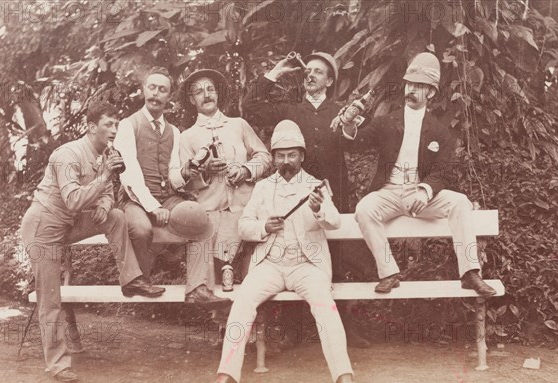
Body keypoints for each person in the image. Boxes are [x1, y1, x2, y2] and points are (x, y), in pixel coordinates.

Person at [208, 120, 357, 383]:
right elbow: (244, 226)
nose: (286, 161)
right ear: (274, 157)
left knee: (325, 305)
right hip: (271, 265)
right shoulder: (263, 188)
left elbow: (335, 221)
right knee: (242, 301)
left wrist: (319, 210)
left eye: (292, 154)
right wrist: (264, 227)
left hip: (307, 265)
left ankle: (343, 373)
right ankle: (226, 373)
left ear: (301, 155)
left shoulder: (316, 186)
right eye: (280, 155)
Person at [21, 102, 165, 383]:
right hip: (44, 226)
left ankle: (132, 279)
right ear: (91, 127)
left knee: (115, 216)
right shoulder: (67, 154)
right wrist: (103, 180)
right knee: (50, 300)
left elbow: (109, 191)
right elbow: (74, 199)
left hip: (69, 223)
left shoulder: (107, 154)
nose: (114, 130)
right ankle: (58, 365)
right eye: (108, 124)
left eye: (116, 124)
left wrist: (104, 202)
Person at [340, 52, 497, 297]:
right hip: (389, 194)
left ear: (431, 93)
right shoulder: (385, 122)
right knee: (364, 209)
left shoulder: (440, 131)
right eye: (409, 84)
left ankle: (470, 273)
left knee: (460, 203)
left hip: (421, 196)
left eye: (419, 86)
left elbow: (443, 170)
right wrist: (349, 125)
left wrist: (425, 190)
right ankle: (389, 272)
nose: (411, 90)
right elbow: (355, 144)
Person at [242, 51, 371, 348]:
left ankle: (344, 329)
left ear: (330, 81)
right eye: (307, 70)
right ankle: (292, 331)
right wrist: (276, 70)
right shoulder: (290, 110)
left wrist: (350, 125)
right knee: (291, 253)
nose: (310, 75)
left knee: (336, 262)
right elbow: (250, 106)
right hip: (290, 198)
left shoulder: (341, 111)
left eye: (318, 72)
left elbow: (360, 141)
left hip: (331, 196)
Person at [114, 67, 227, 305]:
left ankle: (197, 288)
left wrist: (185, 174)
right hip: (135, 199)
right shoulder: (128, 125)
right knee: (142, 228)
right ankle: (138, 280)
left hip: (166, 197)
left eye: (162, 90)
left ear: (169, 97)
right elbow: (129, 174)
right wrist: (153, 207)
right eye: (152, 87)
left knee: (200, 219)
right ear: (143, 89)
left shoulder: (174, 132)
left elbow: (173, 175)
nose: (156, 94)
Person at [169, 69, 271, 292]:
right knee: (212, 284)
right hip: (210, 215)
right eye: (198, 91)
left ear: (218, 94)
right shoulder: (187, 137)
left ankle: (254, 325)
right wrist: (204, 171)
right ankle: (221, 324)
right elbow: (181, 183)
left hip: (245, 210)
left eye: (210, 89)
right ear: (191, 99)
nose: (206, 95)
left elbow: (264, 157)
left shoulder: (238, 125)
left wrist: (245, 170)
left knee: (253, 278)